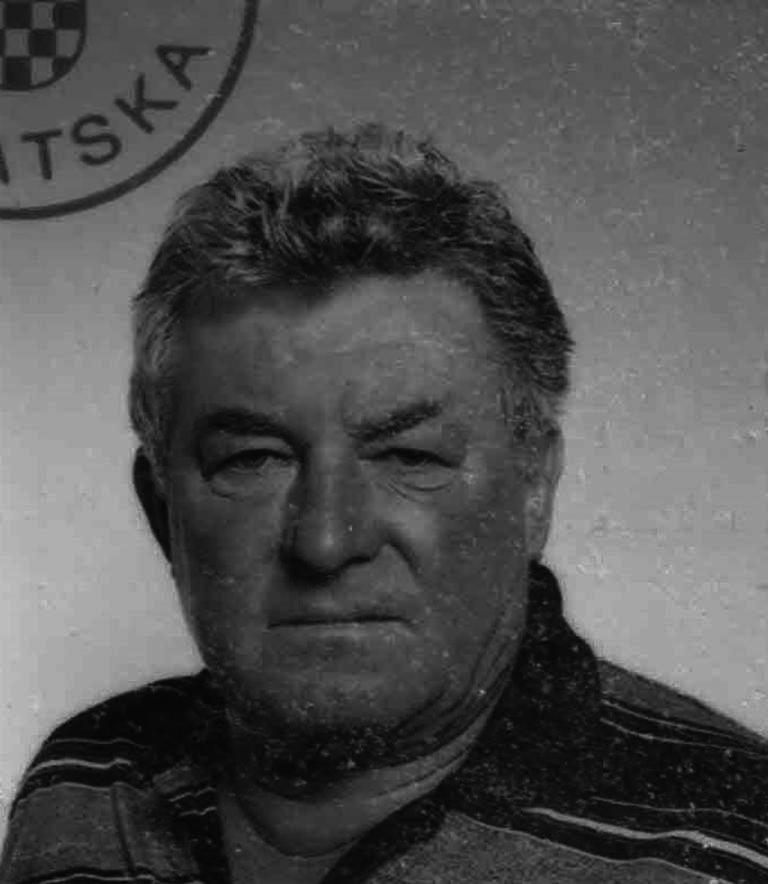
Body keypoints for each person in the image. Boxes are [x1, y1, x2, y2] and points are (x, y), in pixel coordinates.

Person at [2, 123, 767, 884]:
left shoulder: (731, 842)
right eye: (254, 459)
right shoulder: (87, 780)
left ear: (535, 488)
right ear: (159, 505)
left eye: (409, 457)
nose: (326, 541)